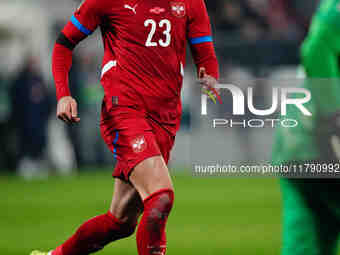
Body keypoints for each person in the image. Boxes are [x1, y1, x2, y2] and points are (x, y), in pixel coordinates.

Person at [31, 0, 219, 254]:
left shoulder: (191, 3)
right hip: (124, 109)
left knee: (120, 222)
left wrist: (211, 78)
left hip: (165, 117)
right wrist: (64, 94)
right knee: (161, 196)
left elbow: (204, 52)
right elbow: (64, 43)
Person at [272, 0, 340, 254]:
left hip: (300, 144)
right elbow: (317, 47)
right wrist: (335, 115)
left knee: (305, 242)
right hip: (320, 143)